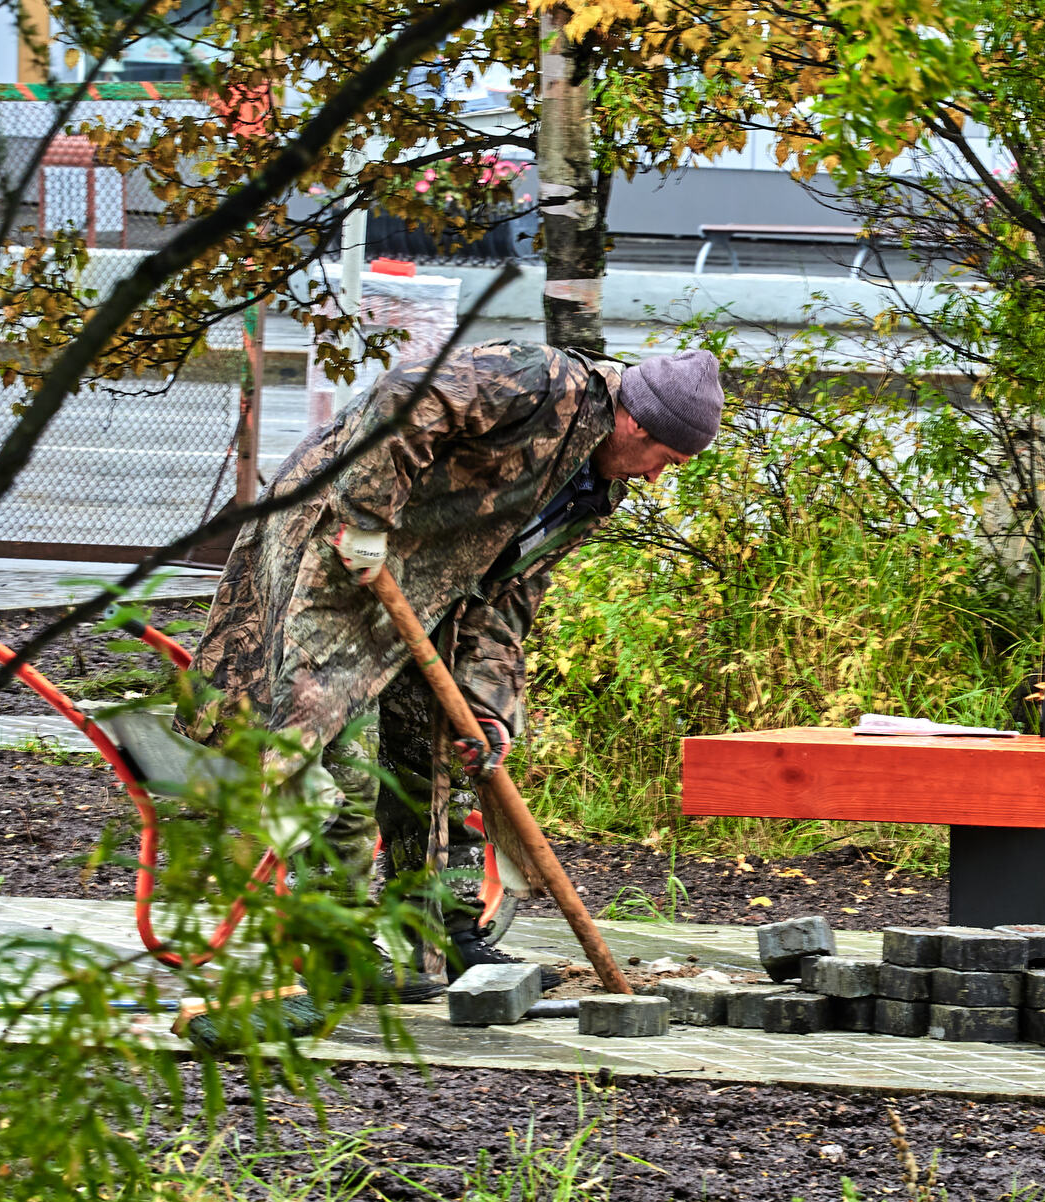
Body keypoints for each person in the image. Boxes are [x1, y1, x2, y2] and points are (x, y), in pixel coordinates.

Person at [185, 341, 723, 998]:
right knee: (340, 759)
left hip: (427, 584)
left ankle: (442, 936)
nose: (656, 477)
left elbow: (511, 594)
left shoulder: (592, 490)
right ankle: (332, 945)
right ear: (636, 422)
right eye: (666, 459)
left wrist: (490, 702)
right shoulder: (540, 382)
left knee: (442, 750)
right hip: (339, 551)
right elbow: (405, 396)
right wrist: (366, 515)